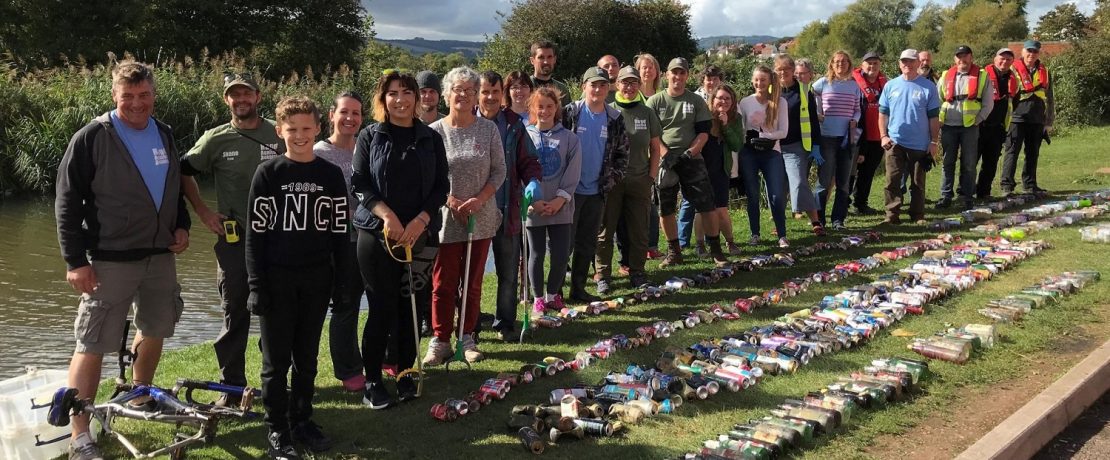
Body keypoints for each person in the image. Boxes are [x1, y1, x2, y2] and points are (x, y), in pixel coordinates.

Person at [55, 60, 191, 460]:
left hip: (159, 257)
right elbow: (66, 202)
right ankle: (81, 435)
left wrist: (180, 225)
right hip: (108, 261)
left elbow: (173, 189)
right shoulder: (92, 137)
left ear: (154, 95)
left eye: (144, 95)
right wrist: (75, 260)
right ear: (114, 95)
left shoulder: (164, 133)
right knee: (92, 341)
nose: (136, 104)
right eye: (128, 96)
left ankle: (139, 396)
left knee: (156, 327)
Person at [246, 96, 347, 458]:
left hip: (317, 279)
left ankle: (302, 419)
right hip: (277, 280)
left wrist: (342, 283)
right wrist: (256, 285)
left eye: (307, 129)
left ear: (318, 128)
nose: (300, 136)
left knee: (307, 358)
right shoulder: (268, 174)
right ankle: (276, 428)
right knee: (276, 362)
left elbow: (339, 234)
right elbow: (255, 235)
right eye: (292, 130)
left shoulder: (331, 175)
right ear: (280, 132)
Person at [181, 71, 281, 403]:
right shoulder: (215, 139)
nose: (241, 100)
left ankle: (275, 382)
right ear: (227, 100)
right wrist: (204, 212)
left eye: (246, 94)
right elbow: (182, 171)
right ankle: (233, 387)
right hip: (235, 240)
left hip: (278, 239)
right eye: (233, 95)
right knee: (234, 311)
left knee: (276, 312)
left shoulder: (277, 132)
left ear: (258, 97)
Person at [351, 71, 448, 409]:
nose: (401, 100)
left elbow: (441, 186)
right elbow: (360, 182)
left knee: (411, 308)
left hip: (420, 235)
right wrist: (387, 216)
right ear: (383, 99)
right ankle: (373, 380)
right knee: (381, 308)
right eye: (393, 93)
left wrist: (421, 220)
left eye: (407, 93)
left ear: (417, 98)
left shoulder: (430, 138)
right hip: (377, 236)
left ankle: (406, 373)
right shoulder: (369, 136)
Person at [424, 66, 506, 365]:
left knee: (472, 282)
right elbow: (427, 177)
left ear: (475, 97)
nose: (463, 94)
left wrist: (478, 200)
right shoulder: (434, 132)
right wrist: (452, 201)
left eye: (470, 90)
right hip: (446, 220)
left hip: (480, 218)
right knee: (443, 283)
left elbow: (499, 170)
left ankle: (467, 336)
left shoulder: (488, 129)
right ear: (446, 94)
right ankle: (440, 340)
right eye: (457, 89)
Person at [477, 70, 543, 341]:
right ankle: (470, 326)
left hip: (508, 208)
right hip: (476, 212)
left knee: (507, 273)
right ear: (477, 94)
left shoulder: (514, 124)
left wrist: (533, 181)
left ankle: (505, 323)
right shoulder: (467, 122)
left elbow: (529, 160)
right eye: (485, 92)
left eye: (495, 91)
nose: (490, 97)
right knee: (473, 275)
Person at [646, 57, 729, 266]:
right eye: (674, 72)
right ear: (667, 74)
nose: (678, 76)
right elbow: (651, 134)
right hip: (664, 160)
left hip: (691, 157)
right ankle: (674, 251)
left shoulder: (696, 101)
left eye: (682, 72)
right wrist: (666, 154)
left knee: (706, 204)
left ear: (687, 76)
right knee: (665, 208)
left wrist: (690, 153)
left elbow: (703, 133)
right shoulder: (655, 101)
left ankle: (715, 250)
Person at [313, 92, 367, 392]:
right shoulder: (319, 152)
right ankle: (345, 369)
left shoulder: (365, 149)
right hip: (330, 242)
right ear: (332, 115)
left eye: (356, 113)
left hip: (363, 240)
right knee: (335, 304)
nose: (350, 118)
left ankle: (355, 365)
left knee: (352, 303)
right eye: (344, 112)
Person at [562, 66, 629, 299]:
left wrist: (610, 181)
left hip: (597, 191)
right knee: (564, 244)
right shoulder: (570, 112)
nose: (598, 89)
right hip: (568, 192)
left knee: (587, 243)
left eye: (602, 85)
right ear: (584, 87)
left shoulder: (614, 118)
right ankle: (554, 293)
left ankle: (578, 290)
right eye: (593, 84)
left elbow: (623, 155)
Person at [598, 66, 661, 292]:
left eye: (633, 82)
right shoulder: (607, 110)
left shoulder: (647, 112)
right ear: (617, 84)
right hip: (612, 181)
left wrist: (651, 177)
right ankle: (603, 276)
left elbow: (656, 148)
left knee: (639, 230)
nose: (629, 86)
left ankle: (638, 273)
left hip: (639, 180)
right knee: (605, 230)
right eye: (625, 82)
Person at [525, 86, 582, 313]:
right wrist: (534, 202)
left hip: (562, 208)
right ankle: (538, 298)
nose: (545, 111)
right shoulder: (525, 136)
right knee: (536, 255)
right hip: (534, 208)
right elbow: (520, 170)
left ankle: (552, 295)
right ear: (533, 108)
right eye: (540, 106)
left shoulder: (570, 138)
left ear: (556, 108)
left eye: (549, 106)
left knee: (560, 255)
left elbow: (573, 171)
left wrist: (560, 200)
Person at [879, 49, 941, 225]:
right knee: (892, 180)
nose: (907, 64)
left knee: (917, 182)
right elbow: (883, 113)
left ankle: (917, 215)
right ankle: (891, 215)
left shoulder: (928, 87)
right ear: (899, 64)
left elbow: (934, 117)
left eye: (911, 61)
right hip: (894, 141)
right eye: (904, 61)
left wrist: (934, 141)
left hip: (920, 143)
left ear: (917, 63)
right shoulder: (890, 86)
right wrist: (883, 136)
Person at [738, 65, 791, 247]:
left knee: (776, 195)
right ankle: (755, 233)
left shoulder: (780, 102)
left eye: (763, 80)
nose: (759, 83)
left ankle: (782, 234)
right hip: (749, 153)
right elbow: (741, 130)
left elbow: (783, 132)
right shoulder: (745, 102)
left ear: (769, 81)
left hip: (771, 152)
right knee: (752, 194)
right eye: (757, 79)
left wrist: (761, 136)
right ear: (753, 81)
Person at [937, 45, 994, 211]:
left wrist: (979, 120)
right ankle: (946, 195)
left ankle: (967, 196)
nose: (962, 60)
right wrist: (939, 120)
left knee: (969, 163)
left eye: (965, 56)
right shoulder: (946, 76)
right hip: (948, 125)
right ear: (955, 59)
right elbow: (938, 99)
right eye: (959, 57)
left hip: (970, 126)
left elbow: (988, 103)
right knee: (948, 162)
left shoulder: (982, 76)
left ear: (971, 57)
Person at [774, 54, 825, 236]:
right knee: (778, 186)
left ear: (792, 71)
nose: (783, 73)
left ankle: (815, 220)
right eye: (779, 69)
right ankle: (779, 224)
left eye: (786, 69)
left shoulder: (804, 91)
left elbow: (812, 120)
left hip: (797, 145)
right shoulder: (771, 90)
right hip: (774, 146)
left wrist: (816, 145)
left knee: (799, 182)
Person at [812, 51, 862, 231]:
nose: (841, 64)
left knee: (843, 182)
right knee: (824, 181)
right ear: (832, 64)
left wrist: (855, 119)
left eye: (844, 61)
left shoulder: (854, 86)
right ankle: (819, 221)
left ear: (849, 64)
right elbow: (810, 96)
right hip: (827, 138)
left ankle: (838, 220)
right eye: (837, 61)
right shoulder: (823, 83)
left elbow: (858, 109)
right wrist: (818, 113)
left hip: (847, 138)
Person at [1000, 39, 1055, 195]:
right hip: (1017, 116)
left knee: (1032, 153)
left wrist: (1048, 121)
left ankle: (1030, 185)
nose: (1032, 54)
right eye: (1029, 51)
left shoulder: (1045, 70)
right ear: (1023, 52)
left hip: (1037, 117)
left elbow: (1050, 97)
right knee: (1012, 151)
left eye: (1035, 52)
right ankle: (1007, 186)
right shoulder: (1012, 69)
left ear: (1038, 54)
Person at [684, 64, 726, 255]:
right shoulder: (693, 99)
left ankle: (713, 240)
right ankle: (683, 241)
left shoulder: (723, 98)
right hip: (695, 150)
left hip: (715, 155)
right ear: (703, 81)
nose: (711, 82)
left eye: (715, 79)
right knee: (688, 200)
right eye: (709, 79)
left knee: (712, 202)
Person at [705, 85, 746, 250]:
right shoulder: (704, 117)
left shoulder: (735, 118)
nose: (723, 101)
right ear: (713, 99)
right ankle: (701, 245)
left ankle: (730, 242)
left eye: (727, 98)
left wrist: (726, 125)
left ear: (733, 101)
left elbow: (737, 145)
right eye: (720, 98)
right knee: (702, 210)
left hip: (722, 168)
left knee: (721, 209)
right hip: (703, 169)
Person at [849, 52, 888, 215]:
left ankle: (861, 203)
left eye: (875, 63)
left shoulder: (885, 84)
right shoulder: (853, 82)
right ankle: (844, 202)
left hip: (877, 134)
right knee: (850, 171)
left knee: (869, 171)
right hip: (857, 134)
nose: (872, 66)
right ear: (862, 65)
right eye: (869, 63)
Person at [977, 48, 1017, 200]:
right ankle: (964, 193)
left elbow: (1015, 102)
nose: (1004, 62)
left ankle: (984, 192)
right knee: (970, 161)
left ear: (1012, 62)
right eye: (1002, 58)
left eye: (1008, 59)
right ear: (995, 59)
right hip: (980, 125)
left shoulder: (1013, 79)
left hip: (998, 127)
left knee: (991, 162)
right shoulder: (982, 75)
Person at [530, 41, 572, 107]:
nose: (546, 62)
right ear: (532, 60)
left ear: (554, 59)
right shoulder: (525, 87)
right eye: (541, 57)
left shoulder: (562, 89)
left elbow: (568, 115)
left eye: (549, 57)